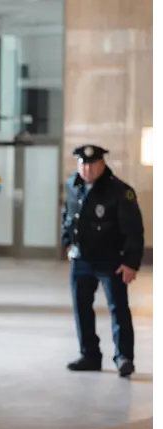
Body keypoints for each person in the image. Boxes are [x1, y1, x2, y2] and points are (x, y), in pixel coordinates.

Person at [61, 144, 144, 377]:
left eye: (92, 164)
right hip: (82, 260)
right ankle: (89, 355)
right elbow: (67, 215)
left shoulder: (120, 191)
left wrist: (131, 263)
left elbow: (133, 230)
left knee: (118, 309)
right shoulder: (72, 184)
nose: (87, 169)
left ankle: (124, 357)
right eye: (83, 164)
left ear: (102, 164)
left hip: (111, 261)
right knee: (82, 308)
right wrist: (67, 242)